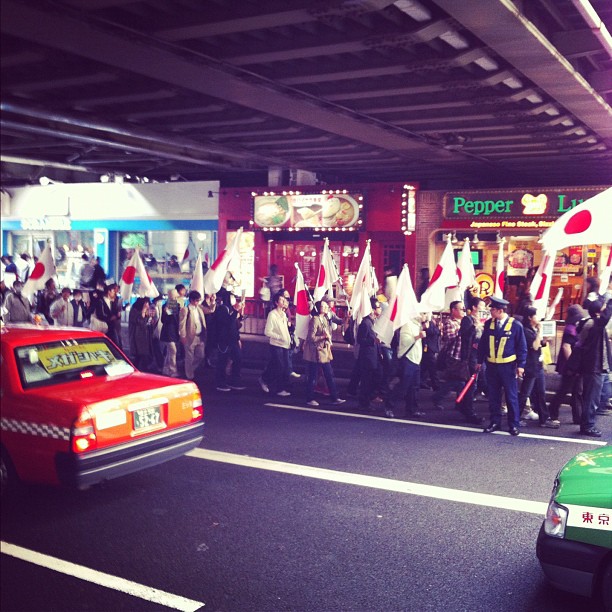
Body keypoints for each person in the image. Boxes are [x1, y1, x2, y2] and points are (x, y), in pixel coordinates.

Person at [476, 296, 527, 436]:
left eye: (492, 309)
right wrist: (479, 361)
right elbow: (483, 345)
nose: (490, 311)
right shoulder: (489, 324)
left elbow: (522, 347)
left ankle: (513, 425)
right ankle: (495, 422)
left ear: (499, 310)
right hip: (492, 366)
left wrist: (521, 365)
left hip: (508, 367)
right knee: (493, 396)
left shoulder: (516, 325)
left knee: (511, 397)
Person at [574, 297, 612, 438]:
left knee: (598, 396)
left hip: (599, 366)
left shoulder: (594, 323)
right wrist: (610, 302)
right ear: (598, 311)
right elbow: (606, 317)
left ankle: (588, 422)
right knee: (591, 398)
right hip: (593, 366)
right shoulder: (593, 323)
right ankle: (587, 425)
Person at [302, 299, 346, 407]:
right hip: (315, 352)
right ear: (318, 308)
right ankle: (310, 398)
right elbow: (311, 338)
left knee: (329, 374)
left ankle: (335, 397)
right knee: (313, 376)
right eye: (324, 306)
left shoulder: (325, 319)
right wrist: (323, 337)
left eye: (327, 306)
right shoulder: (315, 320)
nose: (327, 307)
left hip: (324, 351)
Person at [547, 304, 586, 426]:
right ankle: (553, 412)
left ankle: (577, 417)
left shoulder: (573, 326)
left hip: (572, 365)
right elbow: (566, 346)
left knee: (576, 391)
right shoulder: (570, 329)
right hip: (570, 366)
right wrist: (573, 364)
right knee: (565, 390)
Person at [518, 306, 556, 428]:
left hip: (537, 365)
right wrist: (540, 331)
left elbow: (539, 344)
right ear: (530, 317)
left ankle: (544, 419)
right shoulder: (526, 330)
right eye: (535, 315)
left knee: (540, 393)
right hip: (530, 367)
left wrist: (545, 340)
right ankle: (515, 417)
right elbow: (534, 346)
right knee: (525, 393)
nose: (537, 318)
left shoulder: (532, 329)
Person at [455, 296, 486, 425]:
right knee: (471, 385)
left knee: (473, 385)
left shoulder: (481, 320)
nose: (484, 308)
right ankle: (469, 412)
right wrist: (476, 326)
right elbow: (465, 336)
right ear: (474, 307)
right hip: (469, 358)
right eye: (481, 306)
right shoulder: (468, 320)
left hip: (477, 356)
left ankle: (462, 406)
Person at [432, 301, 466, 409]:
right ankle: (438, 397)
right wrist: (464, 332)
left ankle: (460, 403)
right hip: (453, 356)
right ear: (454, 310)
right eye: (461, 309)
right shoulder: (449, 323)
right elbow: (450, 338)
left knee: (459, 381)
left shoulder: (464, 322)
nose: (463, 311)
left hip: (463, 356)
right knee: (455, 380)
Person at [393, 313, 427, 419]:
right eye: (424, 313)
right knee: (403, 386)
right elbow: (405, 341)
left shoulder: (418, 325)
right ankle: (389, 406)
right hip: (408, 359)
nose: (426, 316)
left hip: (416, 360)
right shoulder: (408, 325)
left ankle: (412, 410)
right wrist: (418, 336)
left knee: (414, 387)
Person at [259, 290, 292, 397]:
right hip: (276, 345)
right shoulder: (272, 315)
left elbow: (285, 329)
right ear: (276, 303)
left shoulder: (283, 314)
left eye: (284, 300)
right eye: (281, 300)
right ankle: (279, 389)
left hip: (285, 345)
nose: (284, 301)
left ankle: (264, 379)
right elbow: (267, 332)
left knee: (280, 366)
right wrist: (280, 337)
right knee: (280, 366)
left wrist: (288, 338)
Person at [179, 290, 216, 381]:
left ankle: (190, 370)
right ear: (191, 300)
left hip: (200, 336)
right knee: (189, 357)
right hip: (190, 336)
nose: (198, 302)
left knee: (200, 355)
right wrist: (182, 336)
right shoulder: (185, 310)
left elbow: (211, 310)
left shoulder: (199, 308)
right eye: (196, 300)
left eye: (198, 300)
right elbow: (182, 324)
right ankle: (189, 375)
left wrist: (213, 301)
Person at [214, 288, 246, 392]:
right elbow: (227, 323)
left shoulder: (230, 309)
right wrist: (236, 311)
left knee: (238, 359)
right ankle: (220, 382)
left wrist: (239, 314)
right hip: (224, 340)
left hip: (233, 339)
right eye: (232, 297)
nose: (234, 299)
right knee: (222, 362)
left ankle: (234, 380)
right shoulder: (222, 309)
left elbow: (234, 325)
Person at [357, 297, 383, 411]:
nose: (380, 309)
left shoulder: (373, 321)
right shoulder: (366, 323)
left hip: (373, 356)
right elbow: (360, 340)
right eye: (378, 307)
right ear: (372, 309)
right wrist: (373, 341)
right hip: (366, 357)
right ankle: (364, 403)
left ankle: (369, 398)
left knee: (372, 379)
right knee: (366, 381)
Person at [128, 297, 154, 371]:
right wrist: (143, 311)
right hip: (137, 336)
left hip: (144, 336)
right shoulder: (134, 310)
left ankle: (139, 369)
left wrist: (150, 321)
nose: (148, 306)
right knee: (140, 355)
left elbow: (147, 322)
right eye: (146, 304)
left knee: (141, 356)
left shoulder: (145, 310)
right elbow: (139, 321)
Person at [160, 289, 181, 377]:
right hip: (169, 332)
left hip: (173, 332)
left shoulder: (177, 305)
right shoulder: (166, 306)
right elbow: (163, 320)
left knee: (170, 351)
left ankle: (165, 369)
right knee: (173, 350)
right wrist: (166, 312)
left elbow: (177, 318)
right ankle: (172, 370)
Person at [420, 312, 441, 391]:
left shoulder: (431, 322)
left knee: (425, 367)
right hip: (427, 348)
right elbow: (429, 333)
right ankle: (436, 385)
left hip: (431, 348)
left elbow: (435, 333)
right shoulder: (423, 324)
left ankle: (421, 381)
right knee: (432, 368)